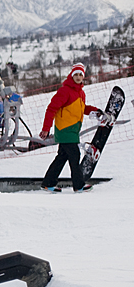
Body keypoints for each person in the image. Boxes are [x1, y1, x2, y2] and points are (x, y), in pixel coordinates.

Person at [40, 63, 102, 193]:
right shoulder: (65, 91)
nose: (79, 77)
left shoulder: (81, 93)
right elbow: (51, 108)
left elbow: (82, 108)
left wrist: (95, 111)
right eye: (76, 74)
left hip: (73, 130)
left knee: (62, 156)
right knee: (74, 155)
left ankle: (48, 183)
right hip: (64, 129)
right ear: (71, 75)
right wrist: (46, 128)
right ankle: (78, 185)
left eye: (81, 75)